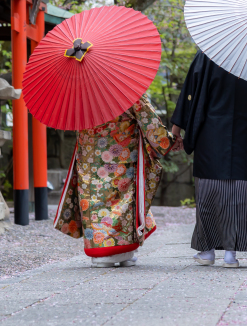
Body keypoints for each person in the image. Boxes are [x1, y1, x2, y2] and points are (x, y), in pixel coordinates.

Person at [170, 51, 247, 268]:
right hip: (244, 134)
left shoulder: (210, 53)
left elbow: (190, 92)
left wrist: (176, 131)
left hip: (211, 132)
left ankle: (207, 251)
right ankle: (231, 254)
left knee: (208, 190)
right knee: (239, 192)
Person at [54, 96, 183, 267]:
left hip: (89, 160)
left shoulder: (79, 94)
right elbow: (151, 125)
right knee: (122, 200)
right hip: (121, 158)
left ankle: (99, 249)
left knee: (93, 201)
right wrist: (171, 140)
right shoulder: (127, 91)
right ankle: (122, 251)